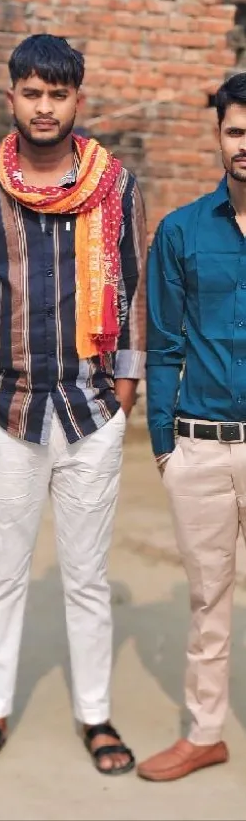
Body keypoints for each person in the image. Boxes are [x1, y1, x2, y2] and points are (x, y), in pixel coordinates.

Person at [0, 33, 147, 776]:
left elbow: (131, 286)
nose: (45, 106)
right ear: (12, 97)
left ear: (75, 101)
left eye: (58, 94)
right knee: (4, 570)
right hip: (7, 411)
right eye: (32, 92)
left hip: (89, 412)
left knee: (87, 576)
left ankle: (94, 713)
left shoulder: (113, 186)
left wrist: (122, 391)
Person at [138, 71, 246, 782]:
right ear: (217, 136)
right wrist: (161, 446)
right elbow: (161, 343)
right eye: (236, 130)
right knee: (208, 599)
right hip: (201, 447)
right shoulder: (179, 230)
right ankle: (206, 731)